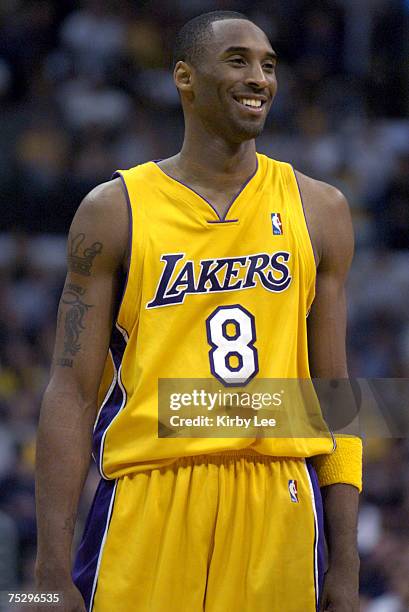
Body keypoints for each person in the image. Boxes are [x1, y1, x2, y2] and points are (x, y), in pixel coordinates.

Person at [35, 10, 362, 612]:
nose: (259, 77)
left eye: (268, 65)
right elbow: (71, 393)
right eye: (238, 60)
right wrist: (48, 569)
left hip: (279, 497)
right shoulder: (114, 210)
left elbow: (334, 392)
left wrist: (346, 562)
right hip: (147, 493)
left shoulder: (321, 208)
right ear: (184, 77)